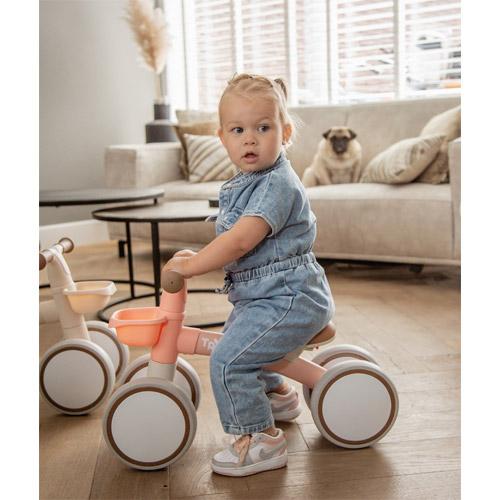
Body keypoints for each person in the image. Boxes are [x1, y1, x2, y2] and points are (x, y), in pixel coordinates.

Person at [162, 73, 334, 477]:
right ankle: (277, 394)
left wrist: (191, 266)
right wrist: (194, 256)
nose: (250, 140)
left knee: (228, 359)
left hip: (290, 298)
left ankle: (261, 440)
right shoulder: (247, 181)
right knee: (242, 339)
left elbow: (240, 241)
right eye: (238, 130)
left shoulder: (277, 184)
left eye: (263, 128)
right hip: (266, 296)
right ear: (222, 137)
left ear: (285, 133)